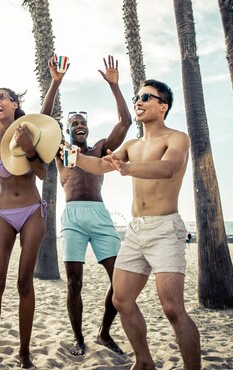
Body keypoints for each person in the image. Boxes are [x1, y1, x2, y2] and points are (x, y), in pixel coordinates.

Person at [74, 79, 200, 369]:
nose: (139, 102)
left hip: (165, 229)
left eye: (147, 97)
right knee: (122, 299)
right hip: (135, 231)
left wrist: (128, 168)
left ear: (163, 106)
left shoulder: (176, 138)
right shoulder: (132, 144)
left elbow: (169, 168)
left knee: (172, 308)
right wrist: (71, 156)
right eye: (137, 97)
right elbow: (99, 165)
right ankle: (144, 362)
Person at [40, 55, 131, 356]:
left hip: (100, 215)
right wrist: (56, 82)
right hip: (73, 217)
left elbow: (125, 123)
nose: (79, 125)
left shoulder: (99, 148)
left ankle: (104, 333)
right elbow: (41, 122)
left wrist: (115, 87)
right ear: (66, 130)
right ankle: (79, 339)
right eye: (74, 123)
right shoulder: (60, 150)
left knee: (120, 281)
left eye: (83, 123)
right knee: (74, 283)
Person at [0, 89, 59, 368]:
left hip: (31, 210)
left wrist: (29, 148)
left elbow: (42, 173)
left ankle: (25, 353)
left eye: (3, 96)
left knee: (23, 282)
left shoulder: (28, 127)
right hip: (3, 213)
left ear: (15, 104)